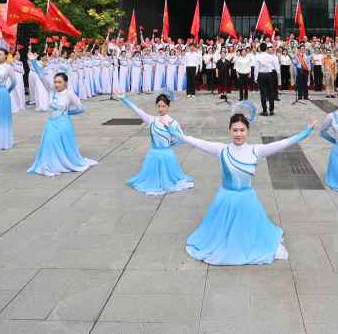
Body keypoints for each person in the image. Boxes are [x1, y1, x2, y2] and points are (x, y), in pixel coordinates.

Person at [181, 113, 317, 265]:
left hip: (247, 198)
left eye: (242, 130)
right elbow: (198, 142)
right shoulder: (221, 149)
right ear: (229, 131)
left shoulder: (256, 150)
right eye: (235, 130)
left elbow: (281, 144)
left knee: (247, 230)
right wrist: (178, 134)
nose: (239, 134)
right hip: (226, 198)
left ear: (248, 131)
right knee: (222, 233)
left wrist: (304, 133)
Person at [27, 56, 98, 175]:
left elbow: (81, 108)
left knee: (61, 146)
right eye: (55, 82)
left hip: (63, 123)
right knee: (49, 143)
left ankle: (61, 163)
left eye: (59, 82)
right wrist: (33, 61)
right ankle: (49, 165)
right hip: (51, 123)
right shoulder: (51, 90)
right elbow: (41, 75)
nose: (57, 84)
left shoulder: (69, 94)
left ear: (65, 83)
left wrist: (68, 113)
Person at [121, 93, 193, 194]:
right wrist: (124, 98)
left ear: (168, 107)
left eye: (164, 106)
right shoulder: (152, 120)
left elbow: (182, 138)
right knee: (150, 180)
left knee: (170, 180)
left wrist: (169, 145)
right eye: (159, 106)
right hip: (153, 155)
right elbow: (137, 110)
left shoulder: (173, 122)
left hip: (167, 156)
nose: (161, 109)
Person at [256, 43, 279, 116]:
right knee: (271, 92)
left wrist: (255, 77)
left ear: (260, 48)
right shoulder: (270, 56)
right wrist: (278, 73)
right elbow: (275, 66)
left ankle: (265, 111)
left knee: (263, 93)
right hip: (269, 74)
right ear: (266, 48)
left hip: (261, 74)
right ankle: (271, 110)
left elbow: (256, 68)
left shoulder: (258, 56)